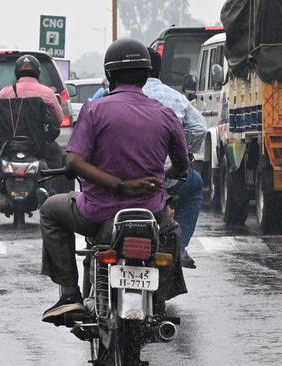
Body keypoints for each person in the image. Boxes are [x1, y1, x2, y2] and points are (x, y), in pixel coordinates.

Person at [39, 38, 189, 324]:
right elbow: (182, 165)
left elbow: (73, 162)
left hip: (96, 213)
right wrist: (162, 177)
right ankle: (158, 302)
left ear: (109, 75)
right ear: (146, 75)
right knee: (172, 233)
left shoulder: (94, 110)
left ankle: (70, 294)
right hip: (151, 216)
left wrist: (119, 186)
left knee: (49, 209)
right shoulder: (165, 114)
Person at [87, 48, 206, 267]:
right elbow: (199, 128)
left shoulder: (105, 102)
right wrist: (185, 155)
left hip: (118, 180)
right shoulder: (174, 100)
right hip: (164, 179)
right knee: (195, 184)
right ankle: (180, 248)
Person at [0, 54, 66, 181]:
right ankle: (53, 184)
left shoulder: (5, 92)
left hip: (7, 144)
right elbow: (59, 119)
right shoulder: (47, 92)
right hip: (39, 144)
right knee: (57, 153)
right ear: (38, 72)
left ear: (17, 73)